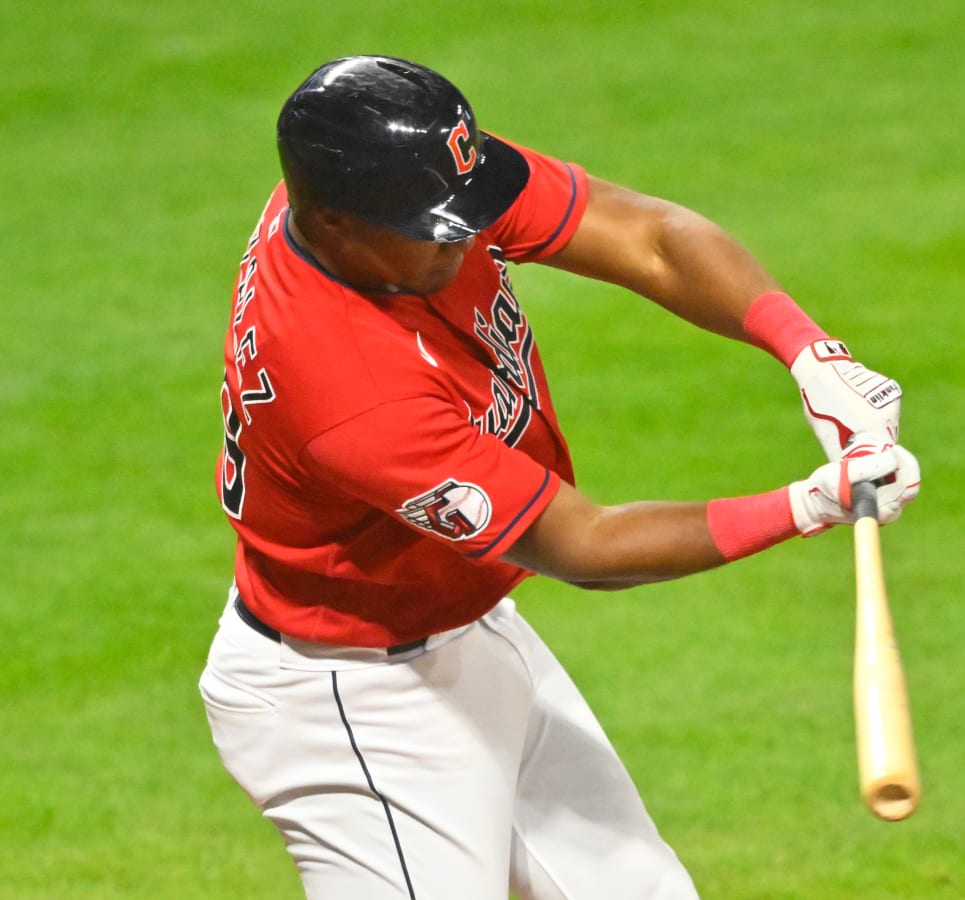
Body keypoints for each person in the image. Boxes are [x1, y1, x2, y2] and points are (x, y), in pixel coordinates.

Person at [199, 54, 919, 900]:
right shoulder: (345, 387)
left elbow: (647, 237)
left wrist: (808, 352)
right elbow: (586, 544)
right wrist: (809, 503)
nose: (466, 234)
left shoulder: (386, 183)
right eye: (436, 226)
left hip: (464, 632)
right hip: (353, 703)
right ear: (334, 223)